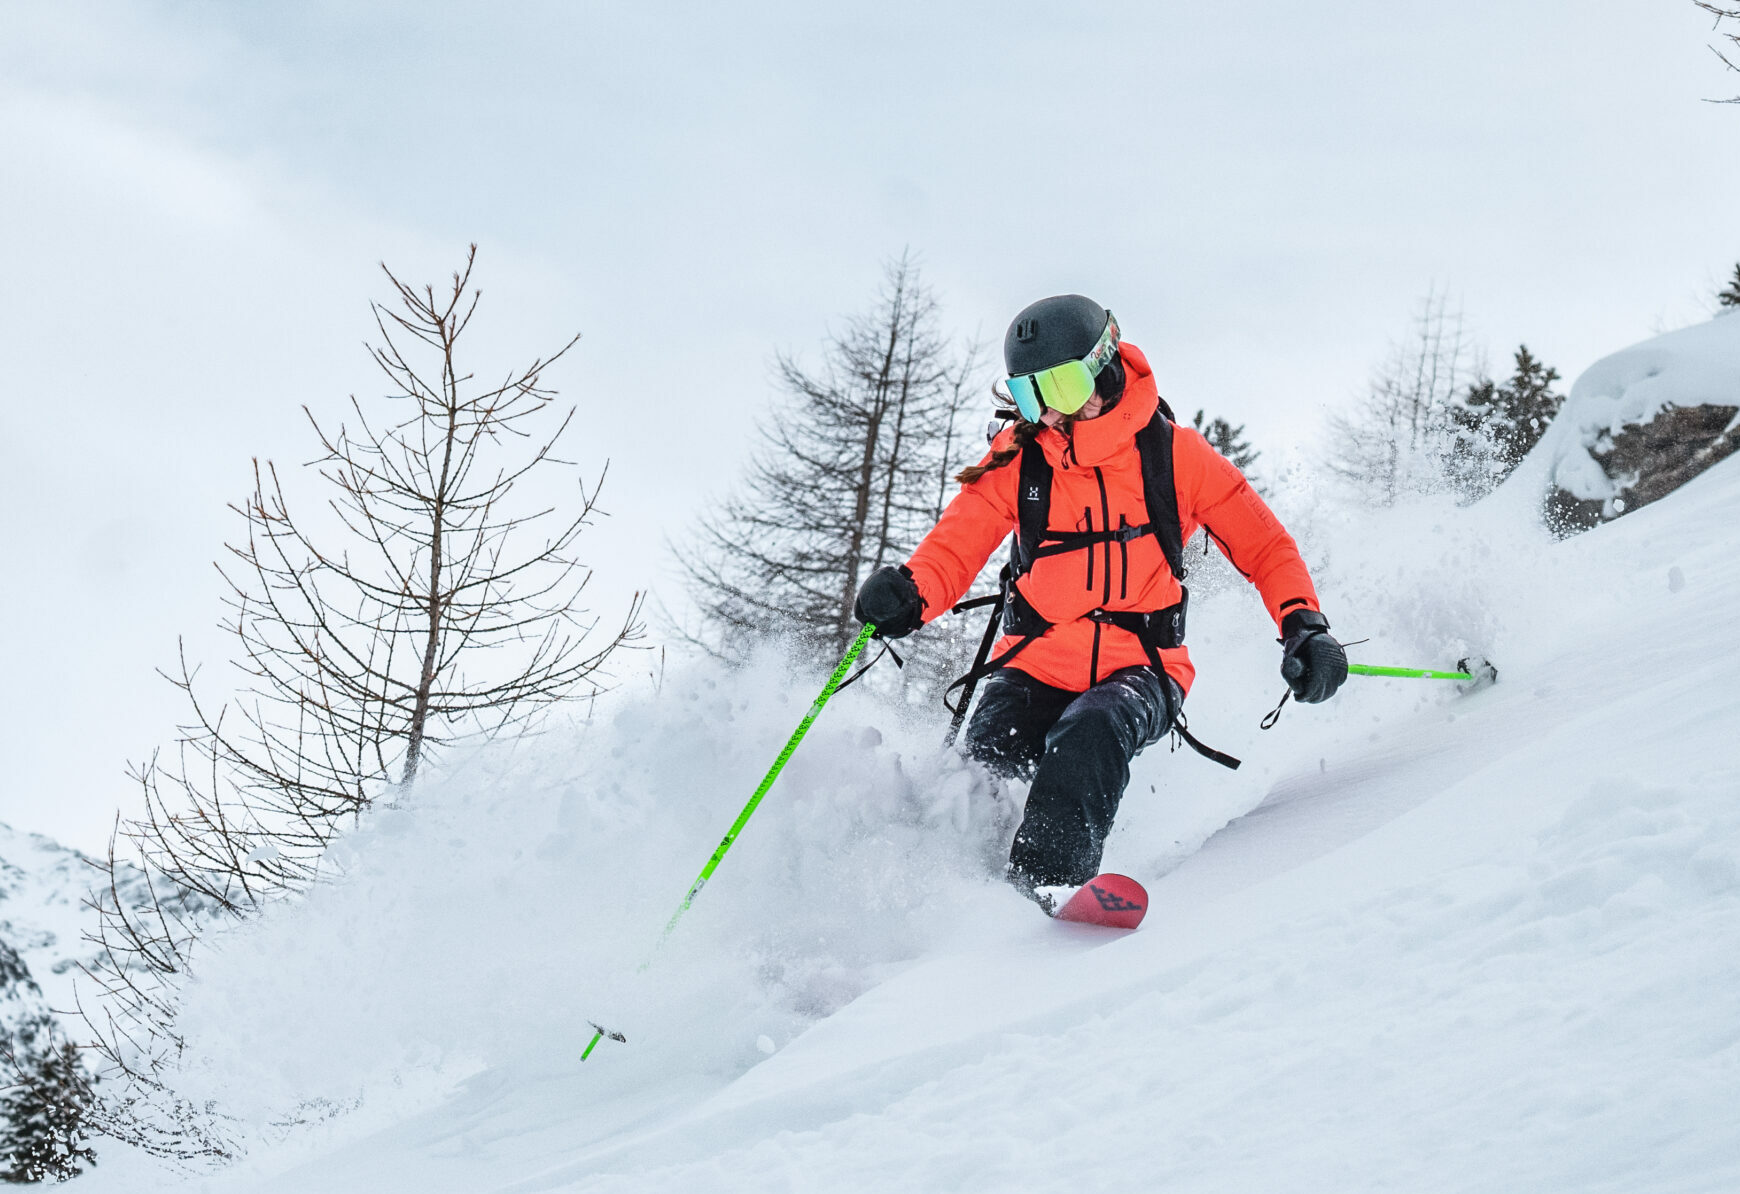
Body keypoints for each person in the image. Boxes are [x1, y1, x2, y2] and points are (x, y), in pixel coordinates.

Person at [852, 294, 1347, 905]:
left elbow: (1265, 545)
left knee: (1091, 732)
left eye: (1059, 387)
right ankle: (945, 907)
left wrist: (1304, 624)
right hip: (1032, 662)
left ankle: (1042, 896)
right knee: (976, 777)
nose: (1048, 413)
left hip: (1140, 668)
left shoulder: (1175, 456)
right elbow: (955, 546)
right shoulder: (1018, 461)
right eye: (1030, 395)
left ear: (1104, 369)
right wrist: (909, 593)